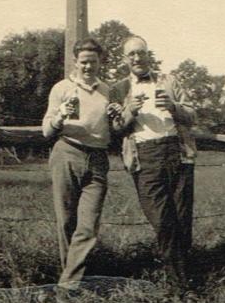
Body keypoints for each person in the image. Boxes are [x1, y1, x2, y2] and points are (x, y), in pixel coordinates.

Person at [110, 35, 196, 288]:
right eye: (132, 54)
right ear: (125, 60)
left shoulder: (169, 80)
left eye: (141, 53)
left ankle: (183, 279)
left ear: (148, 55)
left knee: (181, 218)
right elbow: (114, 129)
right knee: (162, 220)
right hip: (144, 156)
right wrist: (130, 111)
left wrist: (173, 106)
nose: (137, 58)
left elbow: (192, 115)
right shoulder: (118, 89)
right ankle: (179, 284)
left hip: (177, 152)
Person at [42, 37, 113, 288]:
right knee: (66, 221)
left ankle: (67, 285)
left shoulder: (107, 90)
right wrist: (61, 114)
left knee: (88, 225)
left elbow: (114, 128)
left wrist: (117, 117)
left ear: (100, 62)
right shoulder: (61, 88)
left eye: (93, 62)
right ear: (75, 62)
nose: (88, 67)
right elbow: (46, 131)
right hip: (67, 153)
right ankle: (72, 283)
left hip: (97, 158)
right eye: (83, 62)